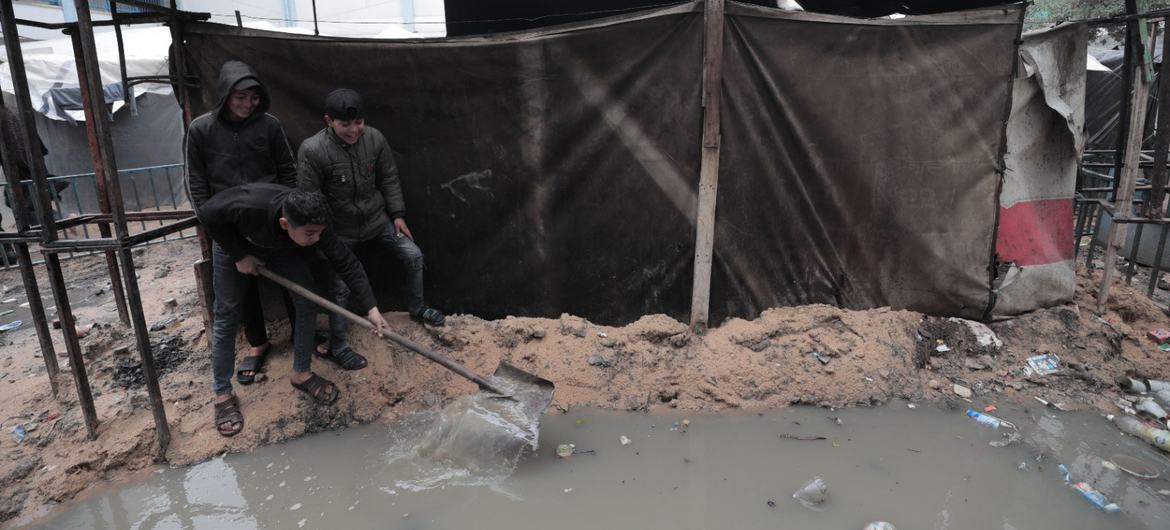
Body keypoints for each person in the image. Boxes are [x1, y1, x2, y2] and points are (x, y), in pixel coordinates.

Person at [199, 183, 388, 437]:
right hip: (233, 241)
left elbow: (347, 263)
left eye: (319, 233)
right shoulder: (249, 205)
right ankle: (222, 394)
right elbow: (206, 214)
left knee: (305, 300)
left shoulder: (315, 223)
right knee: (226, 313)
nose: (317, 240)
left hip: (277, 247)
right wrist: (238, 255)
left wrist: (372, 309)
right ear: (286, 223)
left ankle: (301, 372)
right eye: (310, 234)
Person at [297, 88, 445, 363]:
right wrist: (324, 238)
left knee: (413, 254)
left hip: (377, 220)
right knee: (340, 287)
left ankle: (417, 307)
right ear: (329, 120)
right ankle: (338, 346)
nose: (354, 130)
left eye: (358, 122)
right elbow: (309, 200)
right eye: (345, 125)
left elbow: (388, 178)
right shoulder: (312, 150)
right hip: (339, 230)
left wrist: (397, 214)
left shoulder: (375, 138)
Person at [184, 60, 297, 385]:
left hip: (274, 225)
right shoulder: (201, 130)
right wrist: (233, 249)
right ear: (224, 95)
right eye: (240, 97)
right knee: (230, 307)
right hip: (228, 232)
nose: (248, 104)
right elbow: (198, 189)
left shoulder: (269, 126)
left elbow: (288, 172)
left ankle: (304, 349)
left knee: (296, 288)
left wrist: (287, 219)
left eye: (254, 97)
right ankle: (227, 385)